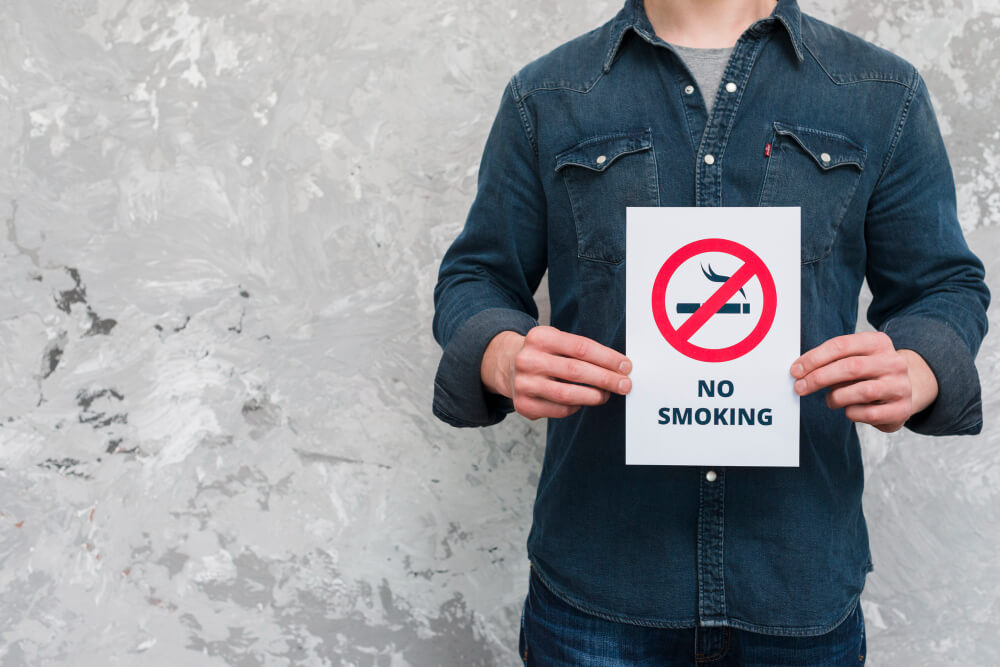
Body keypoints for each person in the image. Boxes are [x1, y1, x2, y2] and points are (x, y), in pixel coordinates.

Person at [431, 0, 990, 664]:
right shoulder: (547, 95)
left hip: (797, 583)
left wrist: (919, 367)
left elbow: (946, 285)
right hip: (598, 587)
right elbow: (476, 276)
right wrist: (501, 353)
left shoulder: (881, 92)